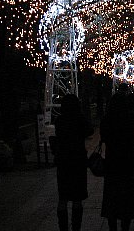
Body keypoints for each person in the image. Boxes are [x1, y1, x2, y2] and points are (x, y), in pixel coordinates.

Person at [100, 92, 134, 231]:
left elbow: (104, 137)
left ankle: (112, 226)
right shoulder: (127, 118)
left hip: (112, 162)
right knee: (127, 198)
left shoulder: (106, 120)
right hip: (128, 161)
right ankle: (125, 226)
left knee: (112, 197)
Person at [54, 94, 93, 231]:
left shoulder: (60, 120)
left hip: (63, 161)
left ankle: (63, 228)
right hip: (78, 161)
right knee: (77, 198)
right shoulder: (80, 119)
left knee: (63, 198)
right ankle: (76, 227)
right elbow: (90, 130)